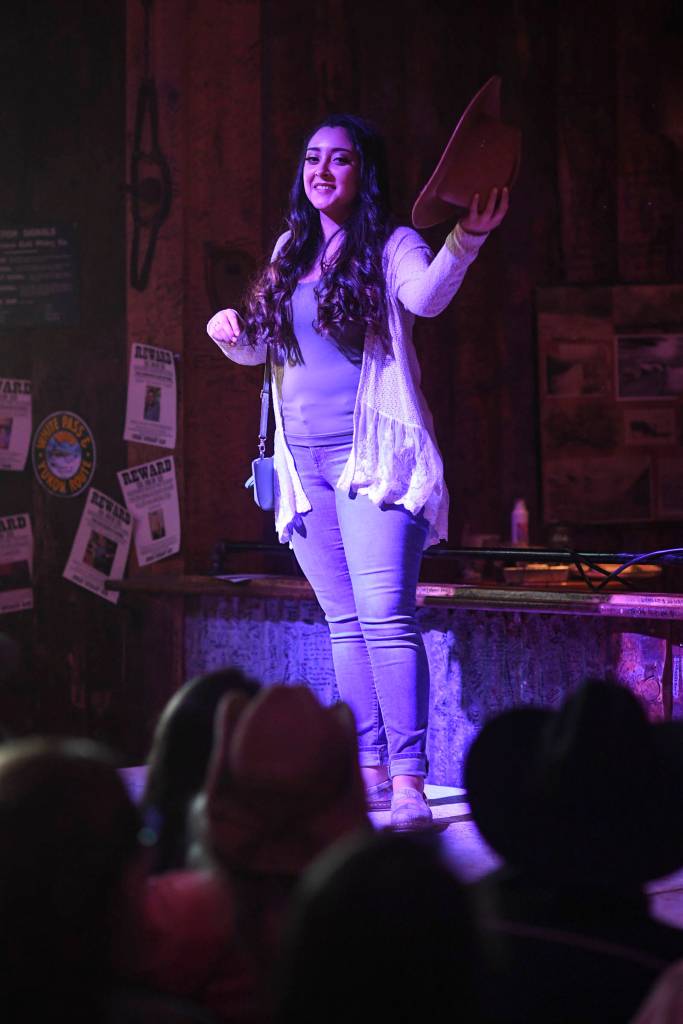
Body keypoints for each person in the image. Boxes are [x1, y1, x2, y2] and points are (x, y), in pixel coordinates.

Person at [207, 113, 508, 829]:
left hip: (372, 457)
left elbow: (426, 297)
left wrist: (466, 238)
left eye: (337, 160)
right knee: (343, 623)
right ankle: (369, 770)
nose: (320, 171)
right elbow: (262, 350)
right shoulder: (291, 246)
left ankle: (409, 780)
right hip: (300, 460)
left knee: (385, 619)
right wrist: (229, 334)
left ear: (362, 171)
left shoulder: (392, 243)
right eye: (311, 158)